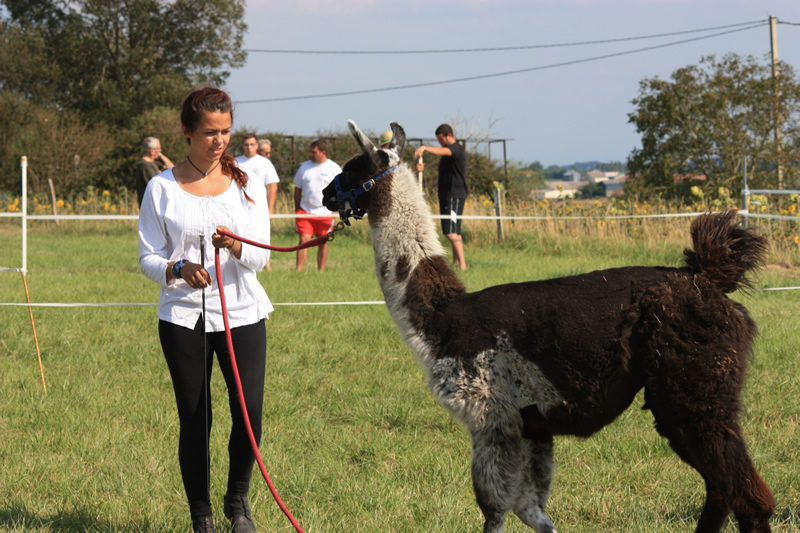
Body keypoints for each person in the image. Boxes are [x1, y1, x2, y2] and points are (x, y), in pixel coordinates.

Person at [138, 87, 272, 533]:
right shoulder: (160, 188)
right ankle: (203, 518)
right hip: (182, 319)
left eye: (226, 131)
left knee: (249, 413)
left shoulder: (246, 184)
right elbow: (147, 258)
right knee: (196, 418)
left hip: (241, 314)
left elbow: (260, 257)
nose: (219, 140)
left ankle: (238, 503)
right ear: (187, 131)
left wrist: (235, 244)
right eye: (210, 132)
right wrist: (177, 267)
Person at [414, 124, 468, 270]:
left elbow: (442, 151)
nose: (439, 143)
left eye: (441, 139)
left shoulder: (455, 149)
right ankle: (457, 263)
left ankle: (462, 266)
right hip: (448, 196)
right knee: (454, 231)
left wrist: (424, 148)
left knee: (451, 232)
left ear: (449, 135)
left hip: (454, 195)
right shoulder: (450, 151)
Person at [292, 139, 341, 272]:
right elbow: (297, 189)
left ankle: (321, 271)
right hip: (305, 211)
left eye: (314, 152)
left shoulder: (334, 168)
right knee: (304, 240)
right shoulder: (304, 167)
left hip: (326, 213)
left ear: (323, 152)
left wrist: (336, 209)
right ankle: (298, 271)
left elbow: (342, 190)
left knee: (323, 242)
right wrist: (297, 209)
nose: (311, 154)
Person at [135, 136, 174, 207]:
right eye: (158, 149)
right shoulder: (144, 165)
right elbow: (156, 185)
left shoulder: (153, 162)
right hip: (150, 207)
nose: (160, 151)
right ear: (152, 151)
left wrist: (160, 155)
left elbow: (171, 166)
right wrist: (162, 175)